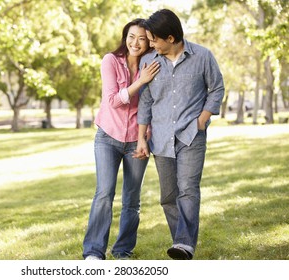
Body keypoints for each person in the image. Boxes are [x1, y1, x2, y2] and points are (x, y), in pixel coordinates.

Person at [134, 9, 224, 260]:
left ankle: (184, 244)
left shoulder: (202, 56)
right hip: (161, 137)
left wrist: (202, 121)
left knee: (187, 188)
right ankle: (181, 242)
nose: (150, 44)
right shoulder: (149, 62)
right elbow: (146, 101)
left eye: (153, 40)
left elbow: (216, 88)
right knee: (169, 196)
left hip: (190, 136)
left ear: (170, 38)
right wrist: (142, 138)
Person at [82, 18, 160, 260]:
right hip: (108, 137)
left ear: (149, 42)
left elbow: (157, 105)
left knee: (132, 199)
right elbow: (113, 100)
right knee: (104, 193)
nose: (135, 42)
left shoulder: (154, 64)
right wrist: (141, 81)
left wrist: (146, 137)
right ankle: (94, 251)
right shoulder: (111, 61)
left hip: (137, 139)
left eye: (142, 38)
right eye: (131, 36)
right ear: (125, 37)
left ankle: (123, 249)